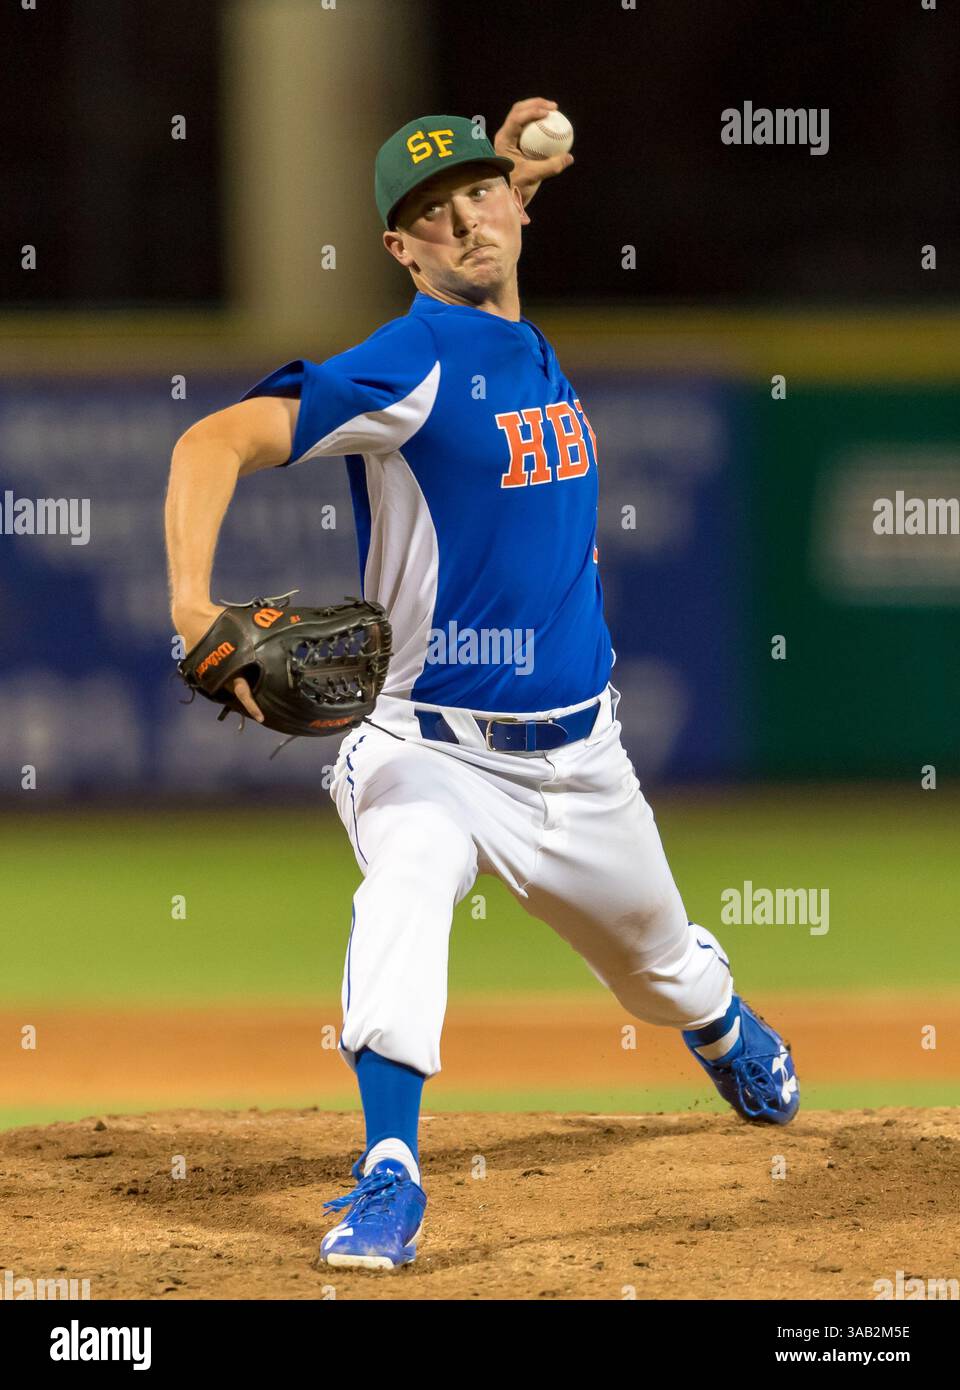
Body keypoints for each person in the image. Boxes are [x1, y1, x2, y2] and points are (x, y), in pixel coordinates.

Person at [164, 98, 799, 1274]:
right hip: (426, 746)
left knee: (665, 971)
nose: (462, 223)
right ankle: (390, 1175)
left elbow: (490, 229)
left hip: (582, 757)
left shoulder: (506, 301)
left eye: (476, 197)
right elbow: (212, 444)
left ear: (514, 204)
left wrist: (513, 168)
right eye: (426, 218)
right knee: (404, 881)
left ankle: (720, 1025)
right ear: (399, 253)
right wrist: (193, 606)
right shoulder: (411, 356)